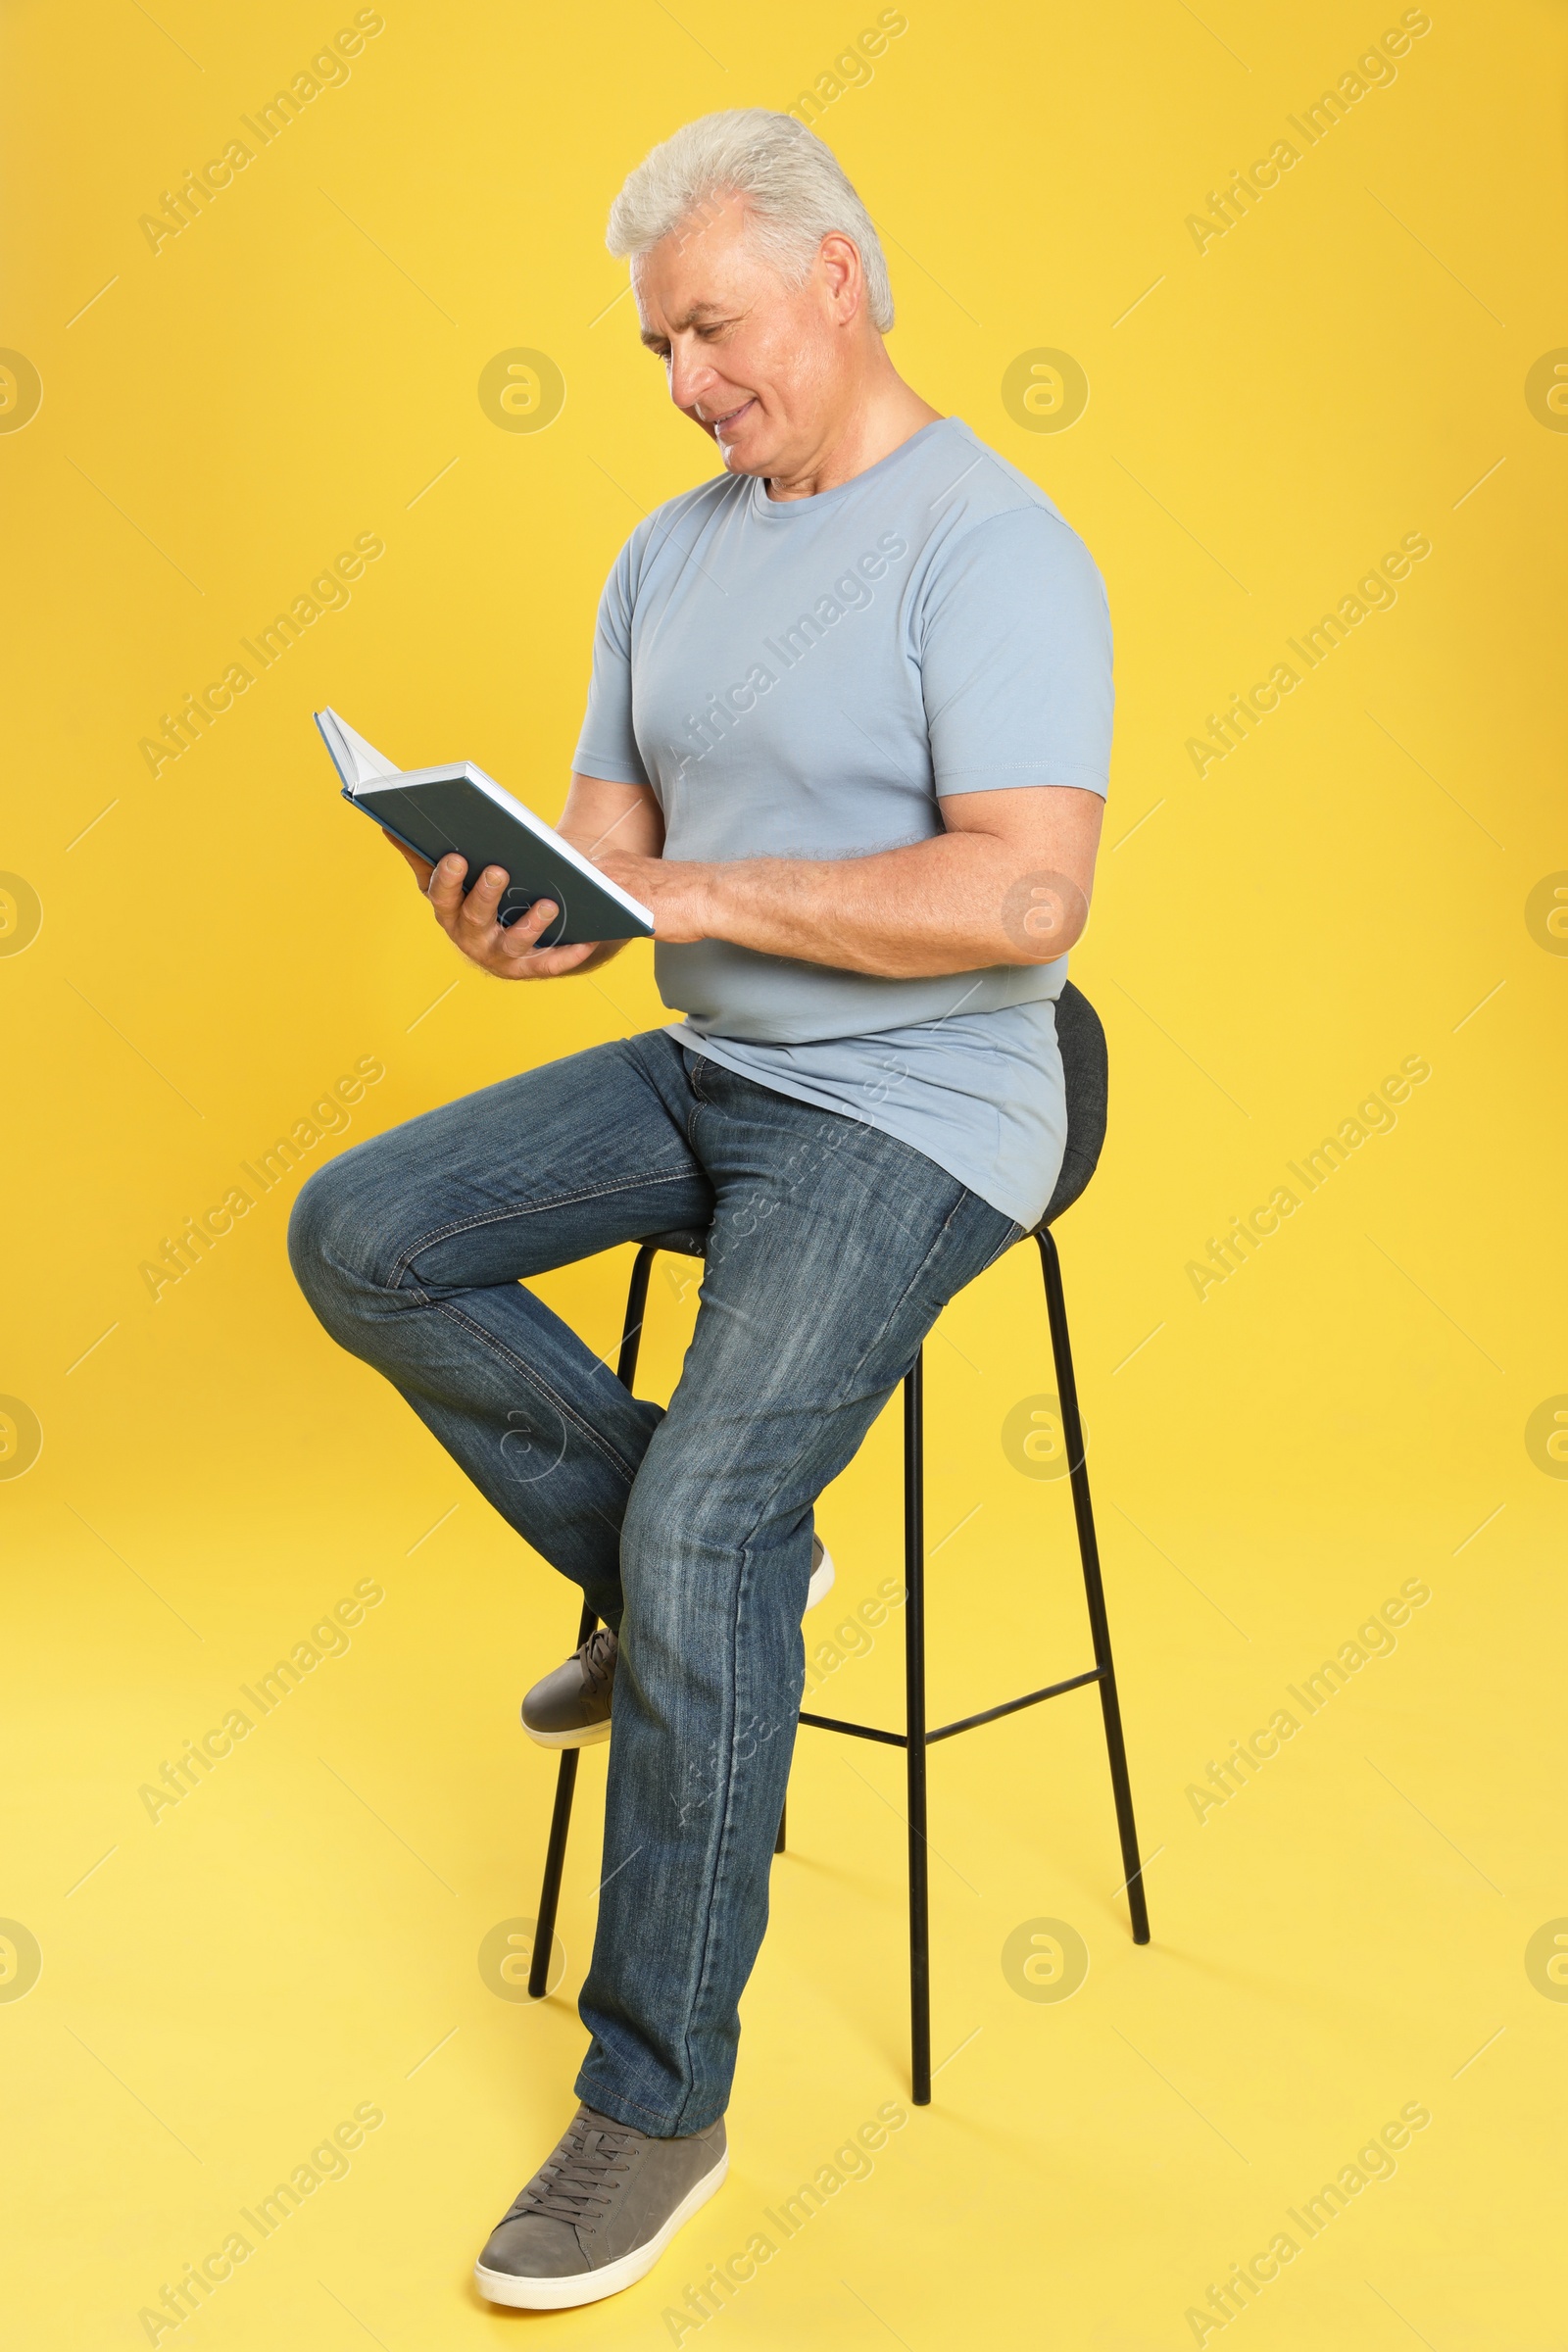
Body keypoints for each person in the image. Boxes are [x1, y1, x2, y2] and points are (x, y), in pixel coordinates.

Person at [288, 106, 1112, 2312]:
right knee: (356, 1231)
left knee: (697, 1540)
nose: (681, 381)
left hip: (924, 1097)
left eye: (710, 330)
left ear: (836, 278)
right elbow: (607, 843)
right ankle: (703, 1577)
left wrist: (683, 893)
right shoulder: (665, 552)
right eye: (658, 345)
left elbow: (1023, 888)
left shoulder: (991, 546)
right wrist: (523, 913)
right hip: (712, 1062)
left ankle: (652, 2107)